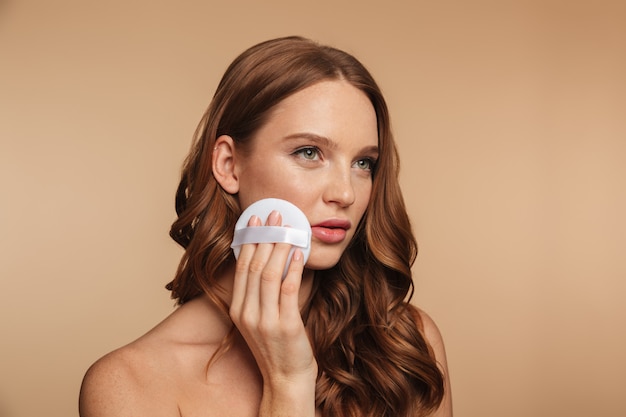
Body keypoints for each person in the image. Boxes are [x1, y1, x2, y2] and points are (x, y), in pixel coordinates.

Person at [79, 36, 453, 417]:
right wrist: (288, 383)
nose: (345, 193)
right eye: (309, 153)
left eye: (363, 163)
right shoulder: (129, 384)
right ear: (228, 165)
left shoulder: (404, 344)